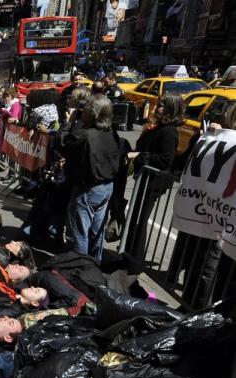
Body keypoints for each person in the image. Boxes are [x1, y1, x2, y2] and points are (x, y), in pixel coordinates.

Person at [124, 94, 184, 260]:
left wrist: (140, 155)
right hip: (145, 180)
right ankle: (128, 255)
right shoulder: (158, 127)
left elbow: (166, 159)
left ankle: (133, 260)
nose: (157, 108)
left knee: (139, 220)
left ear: (170, 110)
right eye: (158, 104)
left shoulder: (169, 131)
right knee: (135, 218)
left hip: (153, 183)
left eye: (161, 106)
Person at [62, 96, 120, 260]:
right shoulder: (110, 133)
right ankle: (94, 265)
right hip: (106, 187)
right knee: (96, 231)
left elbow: (63, 143)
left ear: (92, 113)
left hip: (88, 189)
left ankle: (78, 266)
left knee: (79, 232)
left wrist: (69, 122)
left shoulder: (86, 135)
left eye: (86, 108)